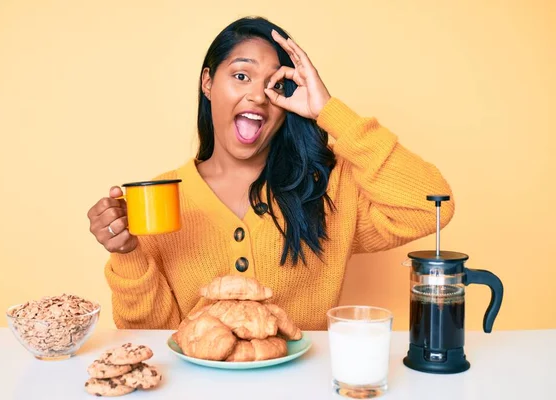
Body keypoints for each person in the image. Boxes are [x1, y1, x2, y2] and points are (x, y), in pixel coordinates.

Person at [87, 16, 455, 330]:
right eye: (241, 75)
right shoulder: (159, 201)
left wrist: (329, 111)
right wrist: (127, 252)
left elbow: (429, 206)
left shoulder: (326, 188)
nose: (258, 97)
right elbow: (153, 340)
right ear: (208, 83)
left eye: (274, 85)